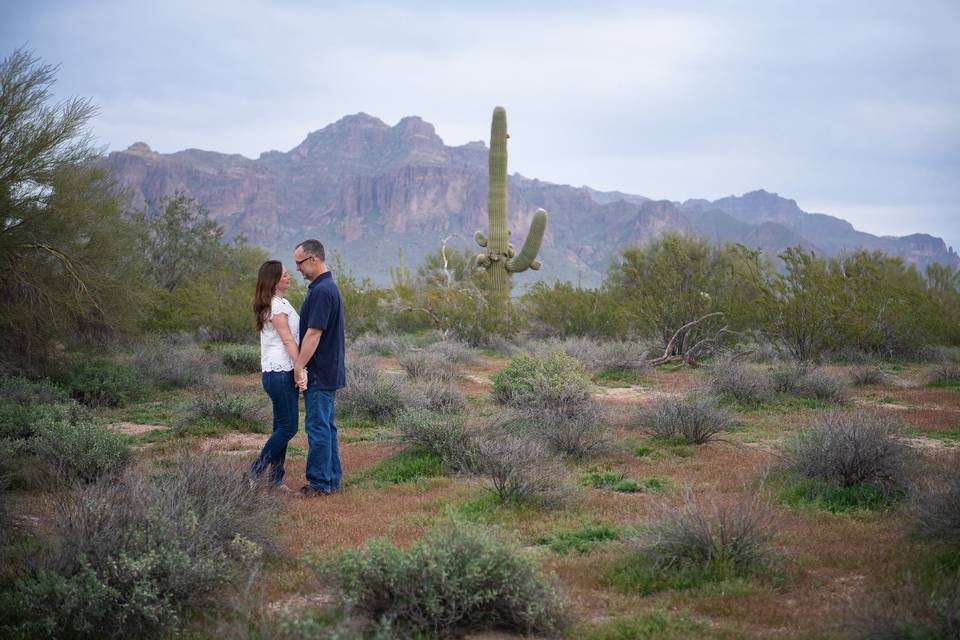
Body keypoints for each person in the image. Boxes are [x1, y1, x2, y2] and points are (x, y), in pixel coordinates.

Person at [293, 239, 346, 496]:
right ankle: (331, 481)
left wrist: (299, 366)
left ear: (313, 259)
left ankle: (318, 485)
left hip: (319, 371)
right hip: (327, 370)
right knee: (327, 426)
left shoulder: (323, 291)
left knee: (317, 427)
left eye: (299, 263)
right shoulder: (324, 288)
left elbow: (314, 334)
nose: (297, 269)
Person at [248, 260, 300, 490]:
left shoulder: (278, 303)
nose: (289, 277)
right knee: (289, 428)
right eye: (285, 275)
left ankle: (276, 480)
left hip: (276, 373)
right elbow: (288, 340)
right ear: (273, 279)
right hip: (281, 372)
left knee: (280, 427)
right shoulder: (276, 307)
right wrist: (301, 368)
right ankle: (254, 472)